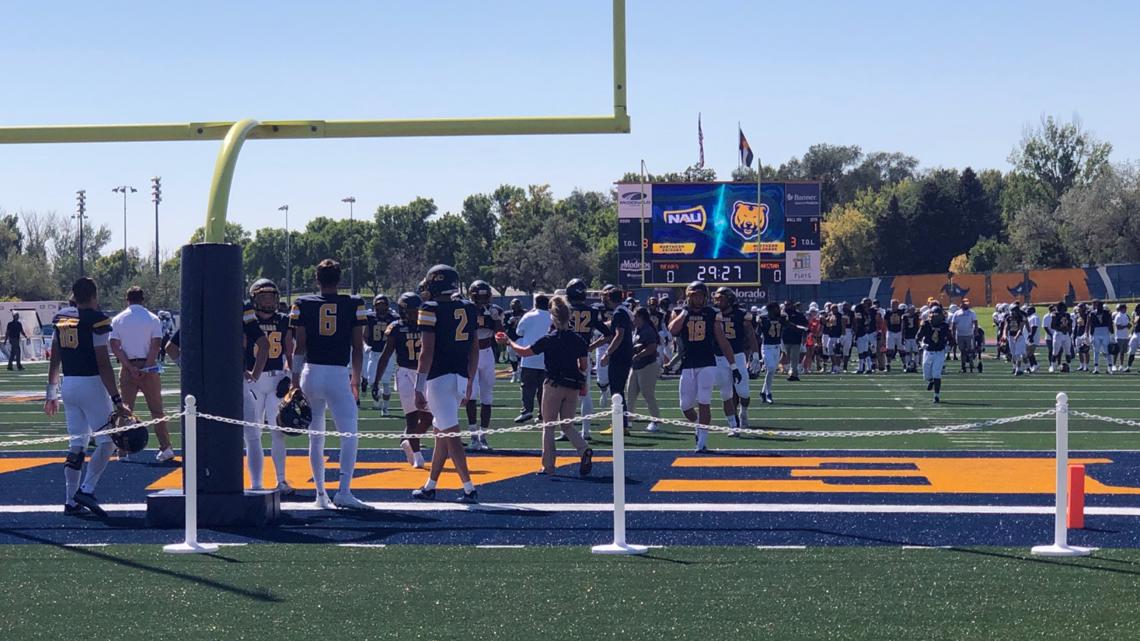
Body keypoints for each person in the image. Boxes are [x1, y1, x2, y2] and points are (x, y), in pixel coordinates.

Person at [45, 277, 130, 516]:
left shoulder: (62, 318)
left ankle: (70, 500)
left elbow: (55, 357)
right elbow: (103, 363)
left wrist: (51, 392)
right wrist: (116, 398)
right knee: (108, 440)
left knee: (77, 445)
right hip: (91, 384)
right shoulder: (97, 320)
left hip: (68, 384)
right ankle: (87, 489)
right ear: (94, 295)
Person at [290, 259, 370, 510]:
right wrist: (355, 379)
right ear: (339, 279)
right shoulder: (353, 303)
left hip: (310, 372)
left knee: (316, 437)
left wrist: (294, 379)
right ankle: (344, 491)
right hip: (337, 374)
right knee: (349, 434)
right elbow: (358, 348)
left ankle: (320, 495)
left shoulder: (303, 303)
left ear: (317, 279)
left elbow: (299, 347)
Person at [411, 264, 480, 503]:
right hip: (460, 376)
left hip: (439, 379)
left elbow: (426, 352)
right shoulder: (469, 308)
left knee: (450, 435)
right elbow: (474, 347)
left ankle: (469, 488)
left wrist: (418, 387)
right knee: (441, 432)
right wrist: (470, 380)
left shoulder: (430, 308)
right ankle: (430, 485)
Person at [504, 296, 593, 475]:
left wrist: (508, 341)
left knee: (548, 425)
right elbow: (583, 366)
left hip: (553, 384)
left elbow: (524, 352)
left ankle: (548, 465)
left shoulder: (549, 339)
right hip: (573, 385)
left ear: (552, 317)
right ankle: (584, 449)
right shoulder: (578, 340)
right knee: (567, 425)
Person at [668, 281, 738, 452]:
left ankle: (702, 442)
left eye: (700, 295)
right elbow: (672, 330)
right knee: (685, 406)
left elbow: (722, 341)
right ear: (688, 296)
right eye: (694, 295)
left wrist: (734, 366)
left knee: (704, 400)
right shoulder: (679, 312)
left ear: (705, 297)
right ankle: (701, 424)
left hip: (707, 362)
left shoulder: (712, 313)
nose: (697, 299)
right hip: (687, 363)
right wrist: (684, 313)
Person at [109, 286, 174, 462]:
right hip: (148, 367)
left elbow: (114, 345)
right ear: (143, 300)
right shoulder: (152, 319)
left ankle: (122, 450)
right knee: (157, 410)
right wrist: (146, 366)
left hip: (128, 367)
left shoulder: (118, 319)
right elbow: (156, 345)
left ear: (127, 299)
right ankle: (166, 447)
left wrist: (129, 367)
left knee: (125, 410)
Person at [242, 279, 289, 492]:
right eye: (263, 297)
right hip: (253, 380)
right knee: (253, 434)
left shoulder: (284, 320)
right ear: (254, 298)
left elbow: (292, 351)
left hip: (276, 378)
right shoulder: (247, 320)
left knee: (277, 431)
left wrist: (288, 376)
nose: (268, 301)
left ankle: (281, 480)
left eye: (271, 296)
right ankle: (257, 483)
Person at [375, 292, 430, 468]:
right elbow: (385, 355)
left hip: (424, 373)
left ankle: (408, 440)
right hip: (405, 373)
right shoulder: (396, 327)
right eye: (413, 311)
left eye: (418, 310)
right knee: (412, 418)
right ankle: (417, 455)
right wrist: (376, 381)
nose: (416, 314)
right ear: (403, 310)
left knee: (429, 417)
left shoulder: (425, 326)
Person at [566, 278, 611, 438]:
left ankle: (567, 429)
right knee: (585, 394)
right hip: (583, 355)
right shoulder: (592, 311)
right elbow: (608, 334)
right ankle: (586, 431)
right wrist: (590, 347)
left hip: (566, 355)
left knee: (564, 394)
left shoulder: (565, 309)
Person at [465, 280, 503, 451]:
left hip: (487, 352)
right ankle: (473, 434)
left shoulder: (495, 310)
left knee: (487, 396)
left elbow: (500, 334)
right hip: (470, 353)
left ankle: (483, 435)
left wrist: (495, 319)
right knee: (471, 395)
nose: (482, 300)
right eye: (479, 297)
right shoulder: (465, 309)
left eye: (484, 297)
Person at [713, 287, 756, 433]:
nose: (718, 302)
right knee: (726, 393)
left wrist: (755, 355)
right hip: (719, 357)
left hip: (737, 355)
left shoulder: (741, 314)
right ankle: (733, 425)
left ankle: (743, 412)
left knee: (743, 392)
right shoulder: (712, 314)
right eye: (717, 299)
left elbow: (750, 334)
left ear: (730, 299)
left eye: (721, 299)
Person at [595, 284, 633, 436]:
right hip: (624, 354)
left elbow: (618, 335)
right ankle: (620, 423)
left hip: (620, 355)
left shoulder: (618, 313)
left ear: (610, 298)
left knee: (616, 391)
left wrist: (607, 353)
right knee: (618, 391)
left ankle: (620, 425)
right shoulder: (623, 311)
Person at [514, 294, 551, 424]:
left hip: (529, 357)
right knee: (543, 389)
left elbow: (519, 331)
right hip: (547, 359)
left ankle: (527, 410)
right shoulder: (552, 317)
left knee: (527, 387)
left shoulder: (528, 316)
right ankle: (543, 414)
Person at [626, 307, 662, 432]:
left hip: (647, 365)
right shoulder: (638, 329)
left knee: (648, 395)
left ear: (641, 317)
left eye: (635, 316)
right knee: (630, 394)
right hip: (636, 366)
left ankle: (656, 421)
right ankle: (628, 421)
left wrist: (638, 355)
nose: (633, 319)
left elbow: (652, 347)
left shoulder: (648, 330)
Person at [365, 295, 399, 415]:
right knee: (371, 381)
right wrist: (366, 345)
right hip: (374, 353)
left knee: (385, 382)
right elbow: (365, 335)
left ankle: (385, 408)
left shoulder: (394, 318)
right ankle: (377, 394)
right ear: (375, 305)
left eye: (383, 304)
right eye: (378, 304)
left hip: (388, 354)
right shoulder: (370, 317)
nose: (381, 307)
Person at [917, 303, 951, 403]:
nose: (935, 318)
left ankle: (936, 395)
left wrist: (948, 346)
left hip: (939, 352)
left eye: (937, 315)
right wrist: (921, 344)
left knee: (937, 374)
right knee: (926, 375)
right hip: (928, 351)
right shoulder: (926, 324)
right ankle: (930, 380)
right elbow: (918, 337)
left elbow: (951, 339)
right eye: (934, 315)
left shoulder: (945, 326)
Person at [757, 302, 785, 403]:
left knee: (771, 371)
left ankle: (763, 392)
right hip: (767, 347)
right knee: (771, 368)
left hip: (777, 347)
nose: (778, 310)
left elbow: (787, 325)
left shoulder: (781, 318)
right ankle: (769, 393)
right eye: (776, 309)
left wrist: (799, 328)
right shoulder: (764, 319)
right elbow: (758, 333)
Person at [949, 299, 979, 373]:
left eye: (967, 304)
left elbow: (975, 322)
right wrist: (953, 333)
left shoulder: (972, 313)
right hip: (960, 335)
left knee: (970, 350)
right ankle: (963, 366)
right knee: (962, 351)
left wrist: (976, 331)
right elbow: (953, 324)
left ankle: (971, 364)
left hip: (969, 334)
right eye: (965, 304)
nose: (966, 305)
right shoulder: (957, 313)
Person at [782, 300, 808, 381]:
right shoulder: (782, 314)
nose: (787, 306)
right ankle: (792, 371)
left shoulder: (798, 315)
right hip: (785, 338)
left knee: (794, 357)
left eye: (788, 305)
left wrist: (804, 336)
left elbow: (805, 326)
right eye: (786, 305)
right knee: (789, 357)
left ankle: (794, 374)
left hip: (796, 339)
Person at [1087, 300, 1113, 374]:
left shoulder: (1107, 313)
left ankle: (1109, 367)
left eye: (1100, 305)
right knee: (1096, 351)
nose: (1099, 307)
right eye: (1098, 305)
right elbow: (1091, 325)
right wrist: (1091, 335)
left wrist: (1112, 333)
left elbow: (1110, 323)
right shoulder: (1092, 313)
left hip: (1105, 331)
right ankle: (1096, 368)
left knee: (1107, 350)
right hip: (1096, 332)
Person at [503, 298, 525, 383]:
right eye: (514, 305)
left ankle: (520, 373)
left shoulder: (524, 313)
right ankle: (515, 372)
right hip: (511, 337)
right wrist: (509, 321)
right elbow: (504, 326)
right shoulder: (507, 314)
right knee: (512, 356)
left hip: (520, 336)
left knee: (521, 355)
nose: (515, 307)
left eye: (516, 305)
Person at [1051, 301, 1074, 373]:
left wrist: (1067, 329)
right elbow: (1053, 326)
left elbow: (1070, 325)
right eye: (1061, 308)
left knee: (1068, 352)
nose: (1062, 310)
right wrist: (1061, 329)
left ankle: (1069, 366)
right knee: (1055, 352)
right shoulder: (1055, 315)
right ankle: (1053, 366)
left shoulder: (1067, 315)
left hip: (1066, 334)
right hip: (1058, 334)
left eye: (1063, 308)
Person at [1113, 303, 1131, 372]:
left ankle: (1121, 365)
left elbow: (1126, 325)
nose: (1126, 309)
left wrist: (1129, 326)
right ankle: (1114, 365)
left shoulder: (1125, 315)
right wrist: (1126, 326)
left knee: (1122, 352)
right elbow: (1118, 327)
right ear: (1121, 309)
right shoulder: (1118, 316)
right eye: (1125, 308)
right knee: (1117, 351)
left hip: (1125, 336)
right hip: (1119, 336)